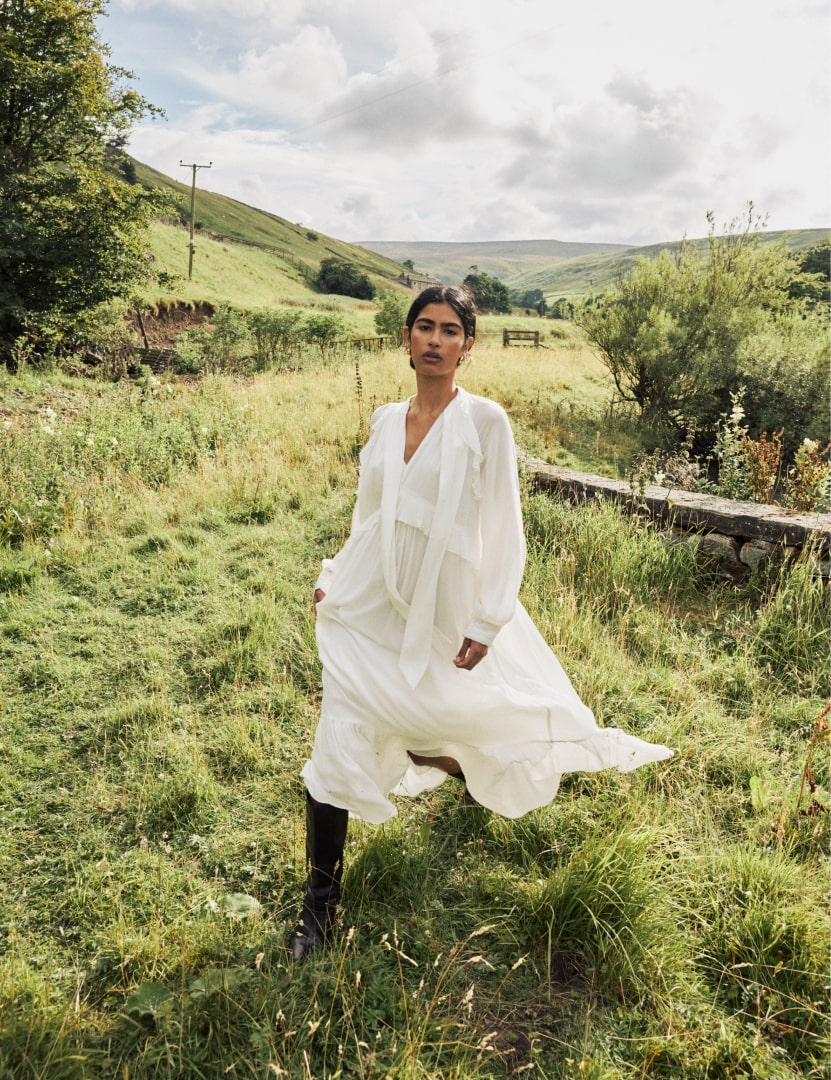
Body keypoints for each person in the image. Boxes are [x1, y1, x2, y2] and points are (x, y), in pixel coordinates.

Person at [289, 285, 673, 961]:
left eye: (449, 330)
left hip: (445, 599)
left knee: (450, 712)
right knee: (336, 739)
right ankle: (319, 909)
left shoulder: (485, 421)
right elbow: (368, 516)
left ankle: (458, 760)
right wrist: (336, 577)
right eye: (424, 327)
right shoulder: (384, 420)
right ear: (406, 337)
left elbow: (502, 524)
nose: (435, 340)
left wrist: (489, 619)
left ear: (467, 345)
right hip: (370, 601)